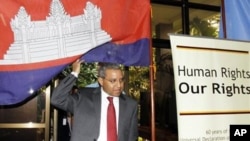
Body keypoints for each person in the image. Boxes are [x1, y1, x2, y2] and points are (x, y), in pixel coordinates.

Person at [51, 60, 138, 141]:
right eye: (113, 81)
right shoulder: (83, 98)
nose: (119, 85)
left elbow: (131, 137)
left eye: (121, 80)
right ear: (101, 81)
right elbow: (57, 99)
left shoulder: (131, 105)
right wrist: (74, 73)